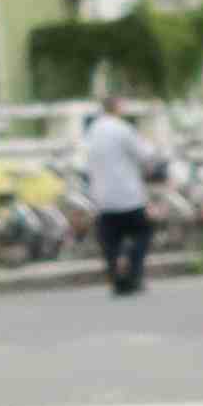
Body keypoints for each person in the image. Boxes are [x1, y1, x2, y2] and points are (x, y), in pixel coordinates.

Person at [80, 96, 159, 296]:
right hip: (128, 195)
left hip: (103, 198)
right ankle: (133, 272)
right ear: (117, 108)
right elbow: (145, 154)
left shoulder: (91, 131)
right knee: (143, 232)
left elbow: (85, 162)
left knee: (110, 242)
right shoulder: (122, 129)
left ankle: (116, 279)